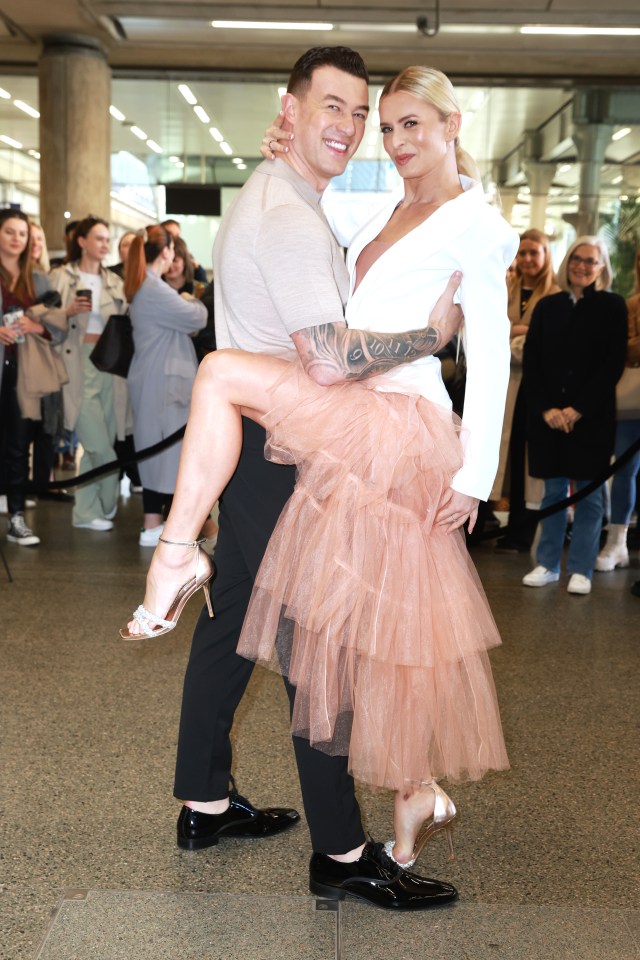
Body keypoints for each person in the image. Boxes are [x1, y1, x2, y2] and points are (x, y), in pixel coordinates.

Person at [122, 50, 517, 907]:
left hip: (382, 437)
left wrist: (478, 476)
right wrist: (290, 141)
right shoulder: (374, 204)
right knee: (303, 635)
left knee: (320, 636)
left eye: (409, 123)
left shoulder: (478, 224)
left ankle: (316, 814)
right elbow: (326, 212)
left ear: (454, 127)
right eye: (384, 126)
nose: (393, 139)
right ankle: (334, 836)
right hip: (324, 429)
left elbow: (491, 353)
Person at [522, 236, 628, 595]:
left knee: (590, 493)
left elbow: (611, 364)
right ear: (567, 262)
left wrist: (578, 408)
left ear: (602, 268)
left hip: (591, 417)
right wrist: (547, 409)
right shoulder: (548, 306)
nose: (582, 266)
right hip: (549, 418)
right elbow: (533, 364)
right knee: (553, 492)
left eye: (591, 261)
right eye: (577, 259)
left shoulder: (613, 307)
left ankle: (582, 567)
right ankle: (548, 564)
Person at [124, 225, 207, 547]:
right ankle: (167, 530)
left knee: (161, 454)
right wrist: (191, 299)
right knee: (169, 455)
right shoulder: (154, 289)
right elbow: (196, 318)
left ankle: (155, 525)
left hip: (158, 380)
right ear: (167, 251)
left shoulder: (146, 285)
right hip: (163, 384)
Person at [50, 216, 128, 531]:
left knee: (105, 435)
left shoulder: (115, 282)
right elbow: (44, 322)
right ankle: (107, 502)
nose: (104, 245)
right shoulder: (59, 277)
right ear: (82, 241)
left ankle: (85, 511)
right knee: (99, 444)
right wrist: (66, 312)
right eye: (98, 238)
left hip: (109, 363)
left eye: (107, 239)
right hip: (75, 361)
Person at [0, 210, 68, 545]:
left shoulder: (38, 280)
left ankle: (16, 517)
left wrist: (35, 326)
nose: (16, 239)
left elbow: (59, 329)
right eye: (9, 232)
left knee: (16, 446)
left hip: (22, 374)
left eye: (22, 234)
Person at [495, 229, 561, 552]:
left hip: (534, 385)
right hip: (500, 383)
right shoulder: (505, 286)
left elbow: (546, 342)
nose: (528, 259)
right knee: (499, 452)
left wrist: (512, 333)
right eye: (523, 253)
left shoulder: (555, 293)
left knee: (525, 456)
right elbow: (489, 327)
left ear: (547, 256)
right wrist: (521, 332)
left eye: (535, 252)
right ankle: (488, 520)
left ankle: (522, 529)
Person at [596, 242, 640, 571]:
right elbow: (621, 351)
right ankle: (617, 541)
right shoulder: (630, 304)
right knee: (623, 470)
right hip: (631, 403)